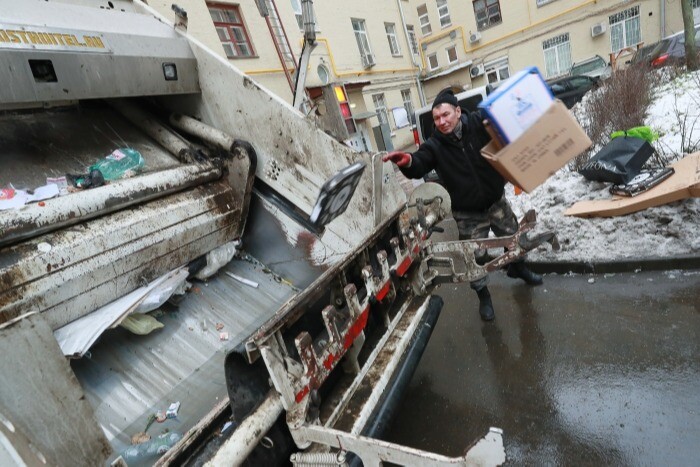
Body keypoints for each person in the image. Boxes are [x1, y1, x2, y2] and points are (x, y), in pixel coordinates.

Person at [382, 87, 542, 321]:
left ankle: (519, 268)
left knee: (514, 236)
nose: (441, 121)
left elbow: (503, 125)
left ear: (458, 111)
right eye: (436, 118)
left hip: (496, 202)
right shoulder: (435, 145)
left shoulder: (478, 123)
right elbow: (419, 162)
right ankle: (484, 296)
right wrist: (407, 161)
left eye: (445, 115)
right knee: (474, 258)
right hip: (468, 214)